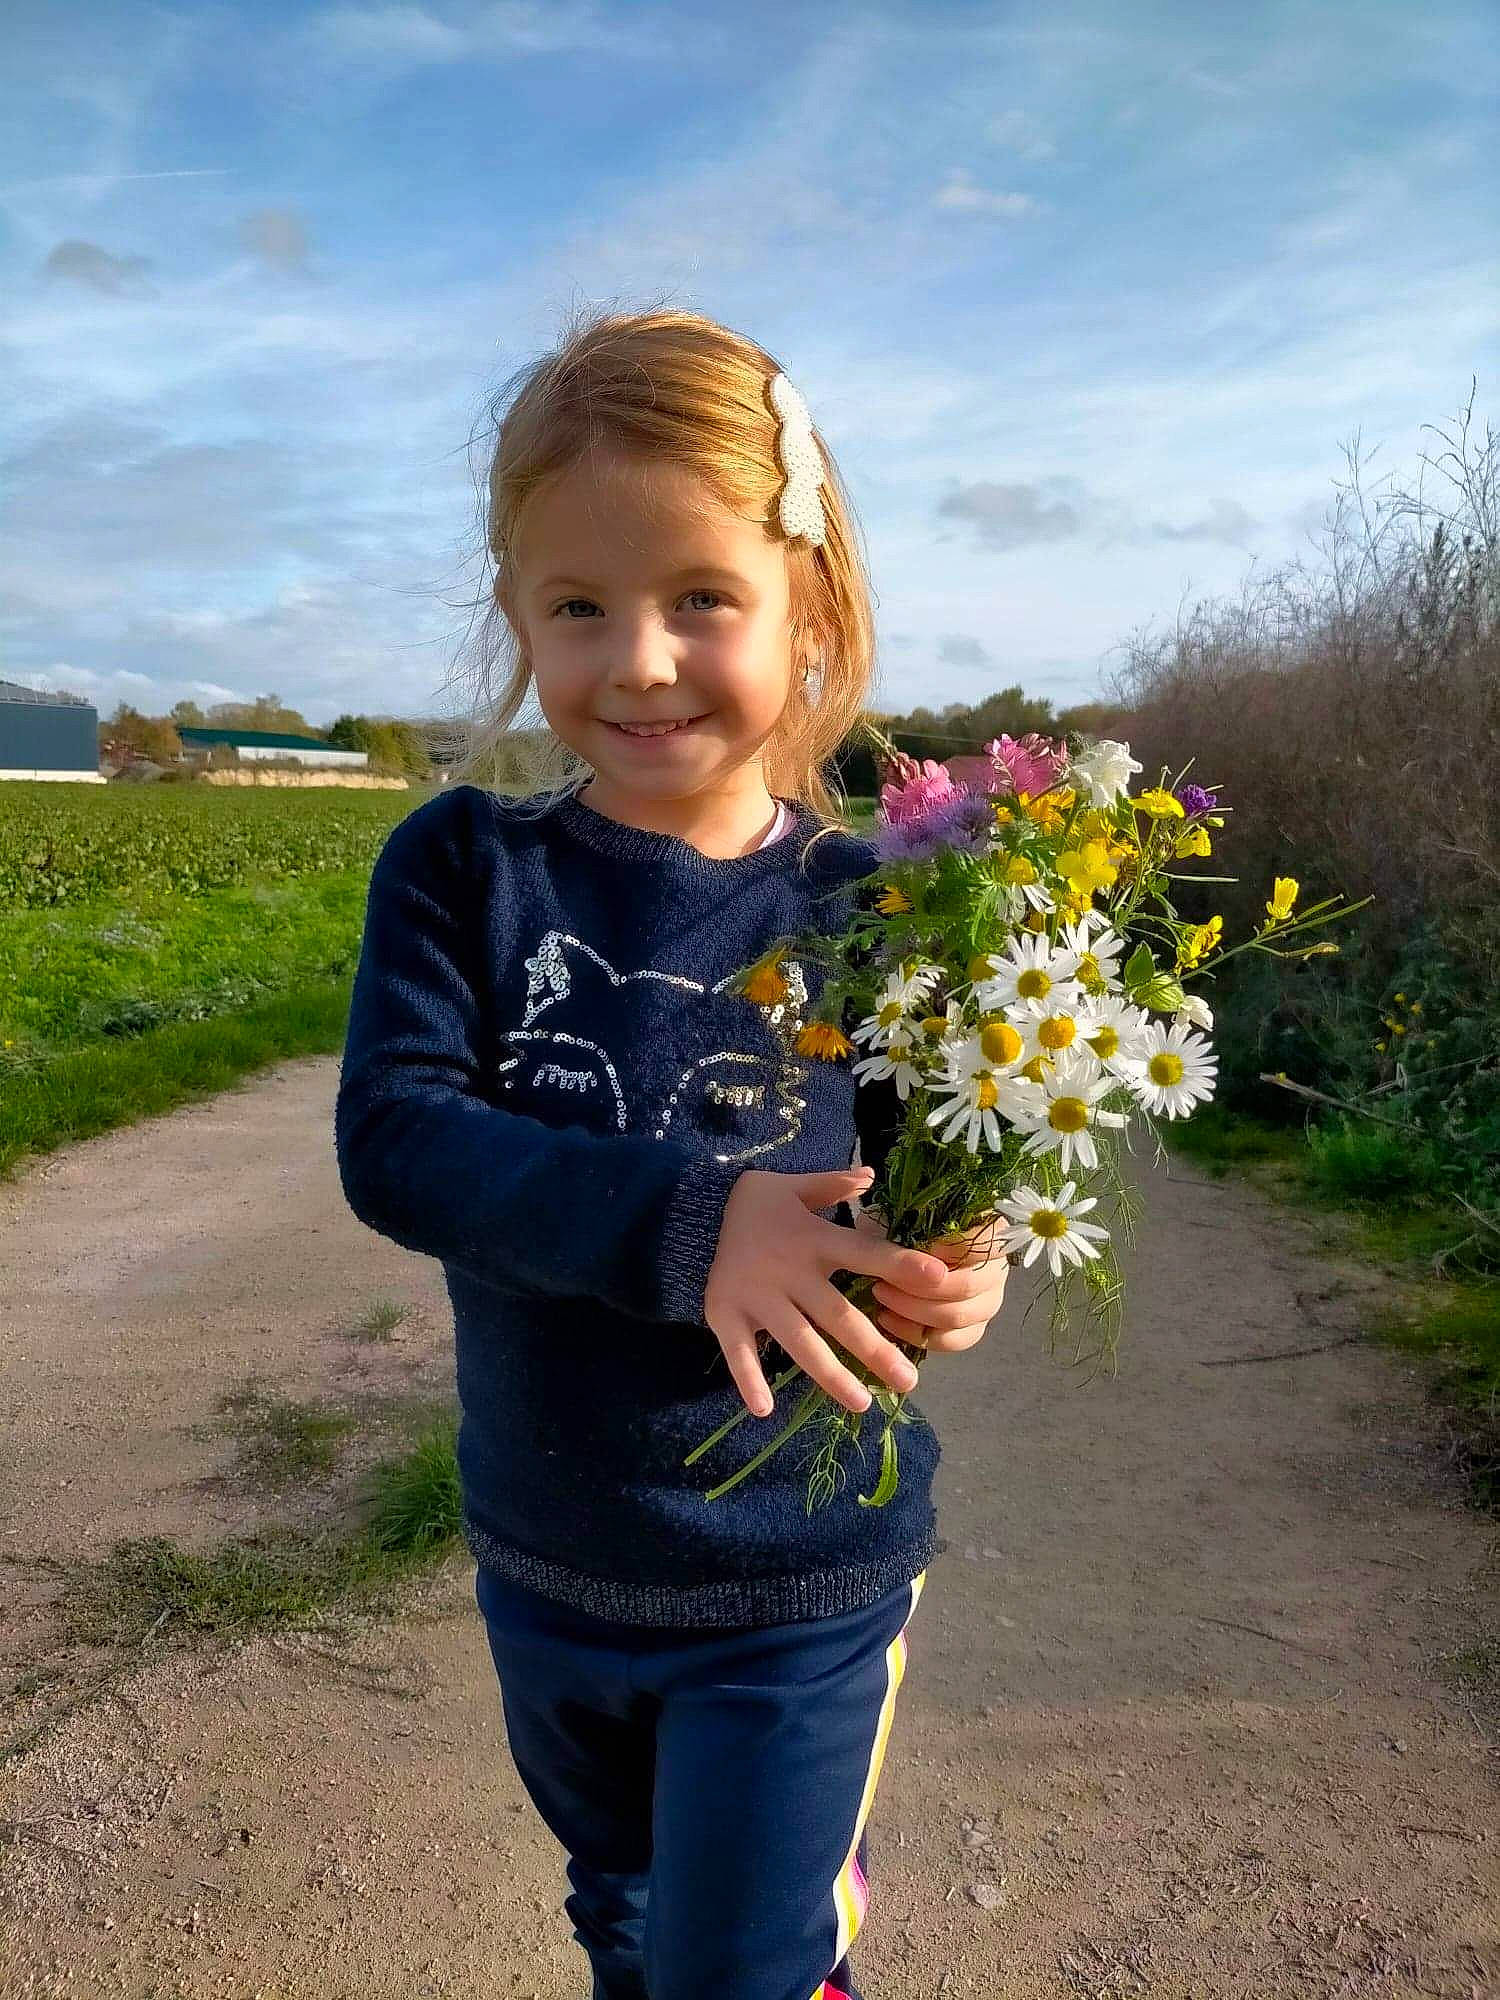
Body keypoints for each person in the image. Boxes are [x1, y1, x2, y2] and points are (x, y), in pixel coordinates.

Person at [333, 306, 1011, 2000]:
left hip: (803, 1572)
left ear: (812, 612)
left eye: (701, 599)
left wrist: (956, 1269)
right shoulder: (462, 869)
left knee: (736, 1967)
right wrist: (697, 1223)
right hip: (552, 1555)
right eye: (580, 606)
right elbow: (400, 1140)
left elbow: (926, 1183)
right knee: (626, 1911)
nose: (638, 658)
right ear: (518, 616)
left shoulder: (876, 907)